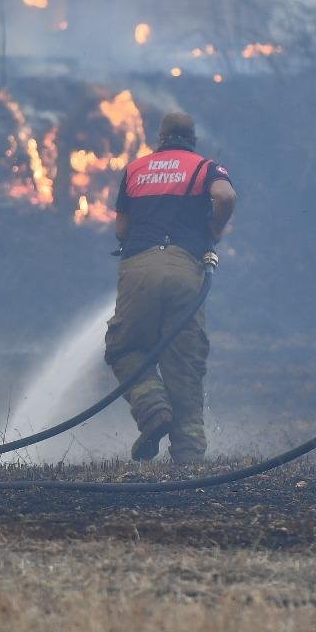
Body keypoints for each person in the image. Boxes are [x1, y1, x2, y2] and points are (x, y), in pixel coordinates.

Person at [106, 111, 237, 464]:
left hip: (139, 268)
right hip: (185, 270)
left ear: (160, 138)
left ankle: (152, 409)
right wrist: (213, 230)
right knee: (185, 367)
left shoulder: (135, 170)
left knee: (125, 347)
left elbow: (121, 230)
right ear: (192, 139)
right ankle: (189, 458)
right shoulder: (204, 167)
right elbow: (225, 196)